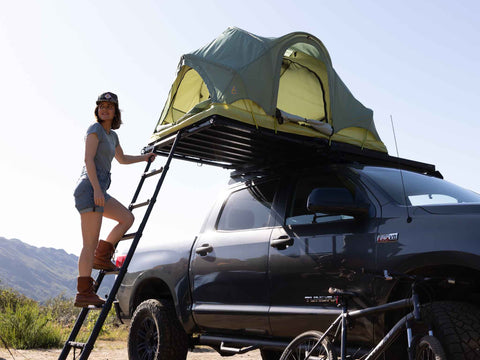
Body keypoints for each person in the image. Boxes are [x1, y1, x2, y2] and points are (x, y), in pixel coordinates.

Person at [73, 92, 155, 307]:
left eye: (109, 106)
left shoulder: (112, 136)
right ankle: (83, 293)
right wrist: (97, 190)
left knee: (127, 218)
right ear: (97, 110)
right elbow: (88, 159)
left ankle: (102, 257)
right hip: (90, 188)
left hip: (100, 189)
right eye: (101, 106)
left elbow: (122, 158)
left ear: (115, 112)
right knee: (88, 244)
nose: (105, 109)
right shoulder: (95, 129)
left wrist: (144, 158)